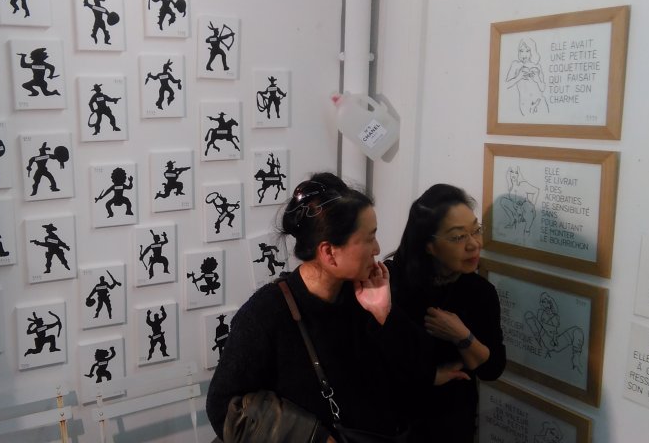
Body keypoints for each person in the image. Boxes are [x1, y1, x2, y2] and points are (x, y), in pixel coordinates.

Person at [206, 172, 467, 442]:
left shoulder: (364, 296)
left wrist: (384, 314)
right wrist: (312, 438)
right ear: (329, 252)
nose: (377, 248)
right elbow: (222, 407)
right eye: (369, 238)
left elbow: (416, 366)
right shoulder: (267, 314)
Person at [385, 184, 506, 443]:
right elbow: (374, 363)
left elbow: (492, 369)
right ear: (429, 245)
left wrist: (462, 336)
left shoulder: (480, 291)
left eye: (476, 230)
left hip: (451, 423)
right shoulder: (391, 284)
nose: (474, 244)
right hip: (394, 422)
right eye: (458, 237)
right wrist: (430, 377)